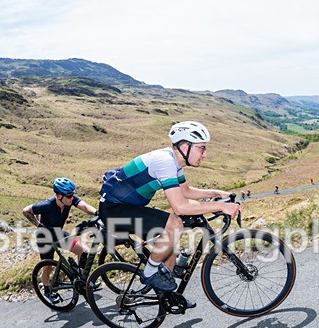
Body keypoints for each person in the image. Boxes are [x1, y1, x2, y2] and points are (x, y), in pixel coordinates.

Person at [98, 121, 240, 297]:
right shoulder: (164, 161)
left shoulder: (174, 161)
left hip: (129, 207)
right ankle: (149, 274)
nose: (205, 155)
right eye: (201, 148)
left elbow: (185, 191)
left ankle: (167, 296)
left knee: (169, 246)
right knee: (174, 223)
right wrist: (220, 206)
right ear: (186, 146)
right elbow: (180, 206)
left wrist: (217, 193)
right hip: (114, 210)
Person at [23, 177, 97, 303]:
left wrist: (97, 213)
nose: (71, 198)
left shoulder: (69, 201)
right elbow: (26, 211)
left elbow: (84, 206)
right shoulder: (46, 205)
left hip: (58, 234)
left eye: (72, 195)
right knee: (47, 266)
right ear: (58, 195)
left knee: (82, 251)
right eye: (68, 196)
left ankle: (82, 280)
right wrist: (39, 225)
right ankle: (47, 290)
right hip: (44, 237)